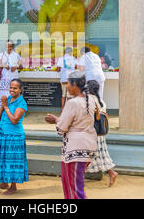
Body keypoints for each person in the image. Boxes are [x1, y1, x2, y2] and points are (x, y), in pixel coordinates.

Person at [44, 71, 97, 199]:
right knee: (76, 186)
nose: (67, 86)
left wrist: (55, 120)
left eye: (68, 83)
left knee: (73, 188)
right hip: (88, 146)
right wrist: (59, 120)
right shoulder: (92, 99)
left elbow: (61, 129)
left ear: (74, 85)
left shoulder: (72, 103)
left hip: (75, 149)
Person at [0, 78, 29, 195]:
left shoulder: (22, 103)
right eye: (11, 87)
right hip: (3, 134)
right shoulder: (7, 99)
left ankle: (13, 186)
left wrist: (6, 107)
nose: (12, 90)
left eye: (15, 88)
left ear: (20, 90)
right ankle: (4, 183)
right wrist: (3, 106)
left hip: (14, 137)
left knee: (12, 162)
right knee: (3, 159)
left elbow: (14, 120)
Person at [85, 80, 118, 186]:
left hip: (92, 134)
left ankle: (77, 178)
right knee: (99, 156)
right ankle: (112, 173)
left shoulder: (90, 101)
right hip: (100, 134)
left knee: (87, 155)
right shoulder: (101, 101)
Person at [0, 41, 23, 108]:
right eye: (7, 46)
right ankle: (2, 108)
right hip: (4, 78)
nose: (9, 48)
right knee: (4, 93)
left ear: (13, 47)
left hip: (13, 78)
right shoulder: (1, 55)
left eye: (10, 46)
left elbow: (21, 66)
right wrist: (4, 65)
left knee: (14, 92)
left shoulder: (17, 55)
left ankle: (14, 108)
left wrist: (16, 67)